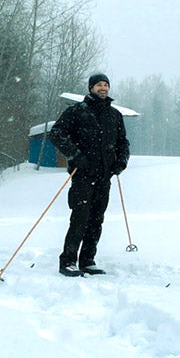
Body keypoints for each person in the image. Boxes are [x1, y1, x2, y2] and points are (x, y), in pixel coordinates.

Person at [48, 73, 130, 277]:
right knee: (79, 218)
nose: (103, 88)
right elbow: (56, 134)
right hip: (83, 175)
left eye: (106, 85)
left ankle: (87, 260)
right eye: (99, 85)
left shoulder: (114, 115)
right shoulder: (77, 111)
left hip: (105, 176)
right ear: (91, 88)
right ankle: (67, 261)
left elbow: (123, 143)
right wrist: (76, 154)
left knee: (96, 220)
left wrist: (121, 162)